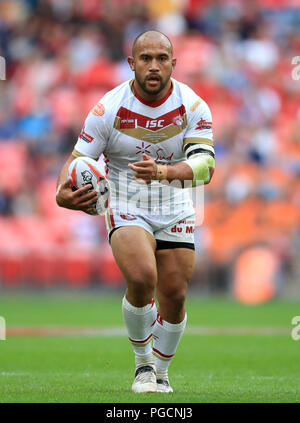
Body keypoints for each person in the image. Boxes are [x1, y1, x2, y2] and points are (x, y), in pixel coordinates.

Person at [56, 30, 215, 394]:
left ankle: (161, 371)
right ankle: (143, 366)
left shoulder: (193, 106)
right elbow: (77, 162)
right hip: (126, 201)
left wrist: (162, 172)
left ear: (174, 63)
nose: (154, 66)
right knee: (143, 277)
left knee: (174, 295)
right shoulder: (108, 108)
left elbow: (206, 167)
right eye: (146, 59)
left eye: (162, 58)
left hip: (175, 204)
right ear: (132, 64)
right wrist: (61, 194)